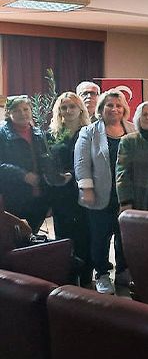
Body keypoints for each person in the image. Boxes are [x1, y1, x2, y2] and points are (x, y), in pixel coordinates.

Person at [75, 89, 135, 294]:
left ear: (124, 109)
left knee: (124, 236)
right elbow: (82, 163)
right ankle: (101, 273)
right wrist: (86, 188)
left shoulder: (133, 129)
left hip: (127, 195)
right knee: (100, 236)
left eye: (118, 105)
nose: (114, 109)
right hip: (100, 195)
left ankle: (123, 271)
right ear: (101, 108)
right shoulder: (89, 132)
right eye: (109, 105)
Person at [46, 92, 92, 285]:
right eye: (63, 107)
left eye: (72, 106)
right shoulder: (52, 134)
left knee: (85, 233)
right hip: (60, 193)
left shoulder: (90, 132)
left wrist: (72, 174)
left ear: (80, 109)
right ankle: (69, 277)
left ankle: (86, 276)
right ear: (59, 111)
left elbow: (94, 161)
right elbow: (46, 161)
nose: (68, 111)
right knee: (63, 235)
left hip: (84, 190)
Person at [0, 96, 53, 231]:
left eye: (25, 109)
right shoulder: (2, 134)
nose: (23, 113)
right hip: (13, 196)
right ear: (8, 113)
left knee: (32, 236)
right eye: (17, 110)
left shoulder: (40, 133)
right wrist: (23, 175)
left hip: (39, 196)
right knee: (15, 237)